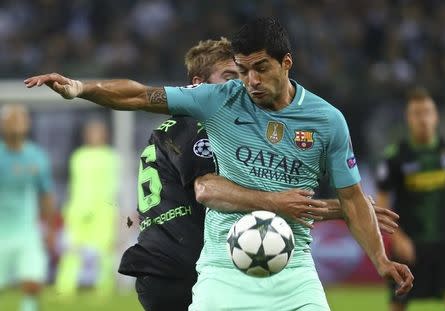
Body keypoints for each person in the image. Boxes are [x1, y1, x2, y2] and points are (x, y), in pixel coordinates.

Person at [24, 18, 413, 310]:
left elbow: (352, 197)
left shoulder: (327, 121)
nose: (250, 81)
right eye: (242, 70)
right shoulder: (220, 99)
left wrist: (381, 259)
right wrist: (81, 88)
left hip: (293, 269)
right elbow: (140, 95)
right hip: (222, 269)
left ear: (287, 63)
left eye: (260, 68)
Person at [376, 88, 445, 311]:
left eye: (427, 112)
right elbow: (381, 202)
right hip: (409, 242)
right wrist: (397, 238)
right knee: (399, 303)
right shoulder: (396, 156)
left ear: (436, 116)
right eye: (417, 113)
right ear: (409, 118)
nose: (423, 119)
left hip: (444, 241)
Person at [0, 104, 56, 311]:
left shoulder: (36, 156)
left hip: (27, 233)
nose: (17, 122)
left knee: (32, 284)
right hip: (1, 233)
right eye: (12, 118)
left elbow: (46, 194)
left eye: (21, 118)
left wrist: (50, 229)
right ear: (3, 125)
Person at [55, 119, 119, 297]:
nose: (95, 136)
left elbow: (114, 186)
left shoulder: (112, 157)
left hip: (103, 210)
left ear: (105, 135)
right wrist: (70, 209)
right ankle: (64, 288)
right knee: (72, 249)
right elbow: (74, 185)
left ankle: (104, 289)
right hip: (79, 208)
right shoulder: (78, 156)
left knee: (104, 250)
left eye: (98, 132)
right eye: (92, 132)